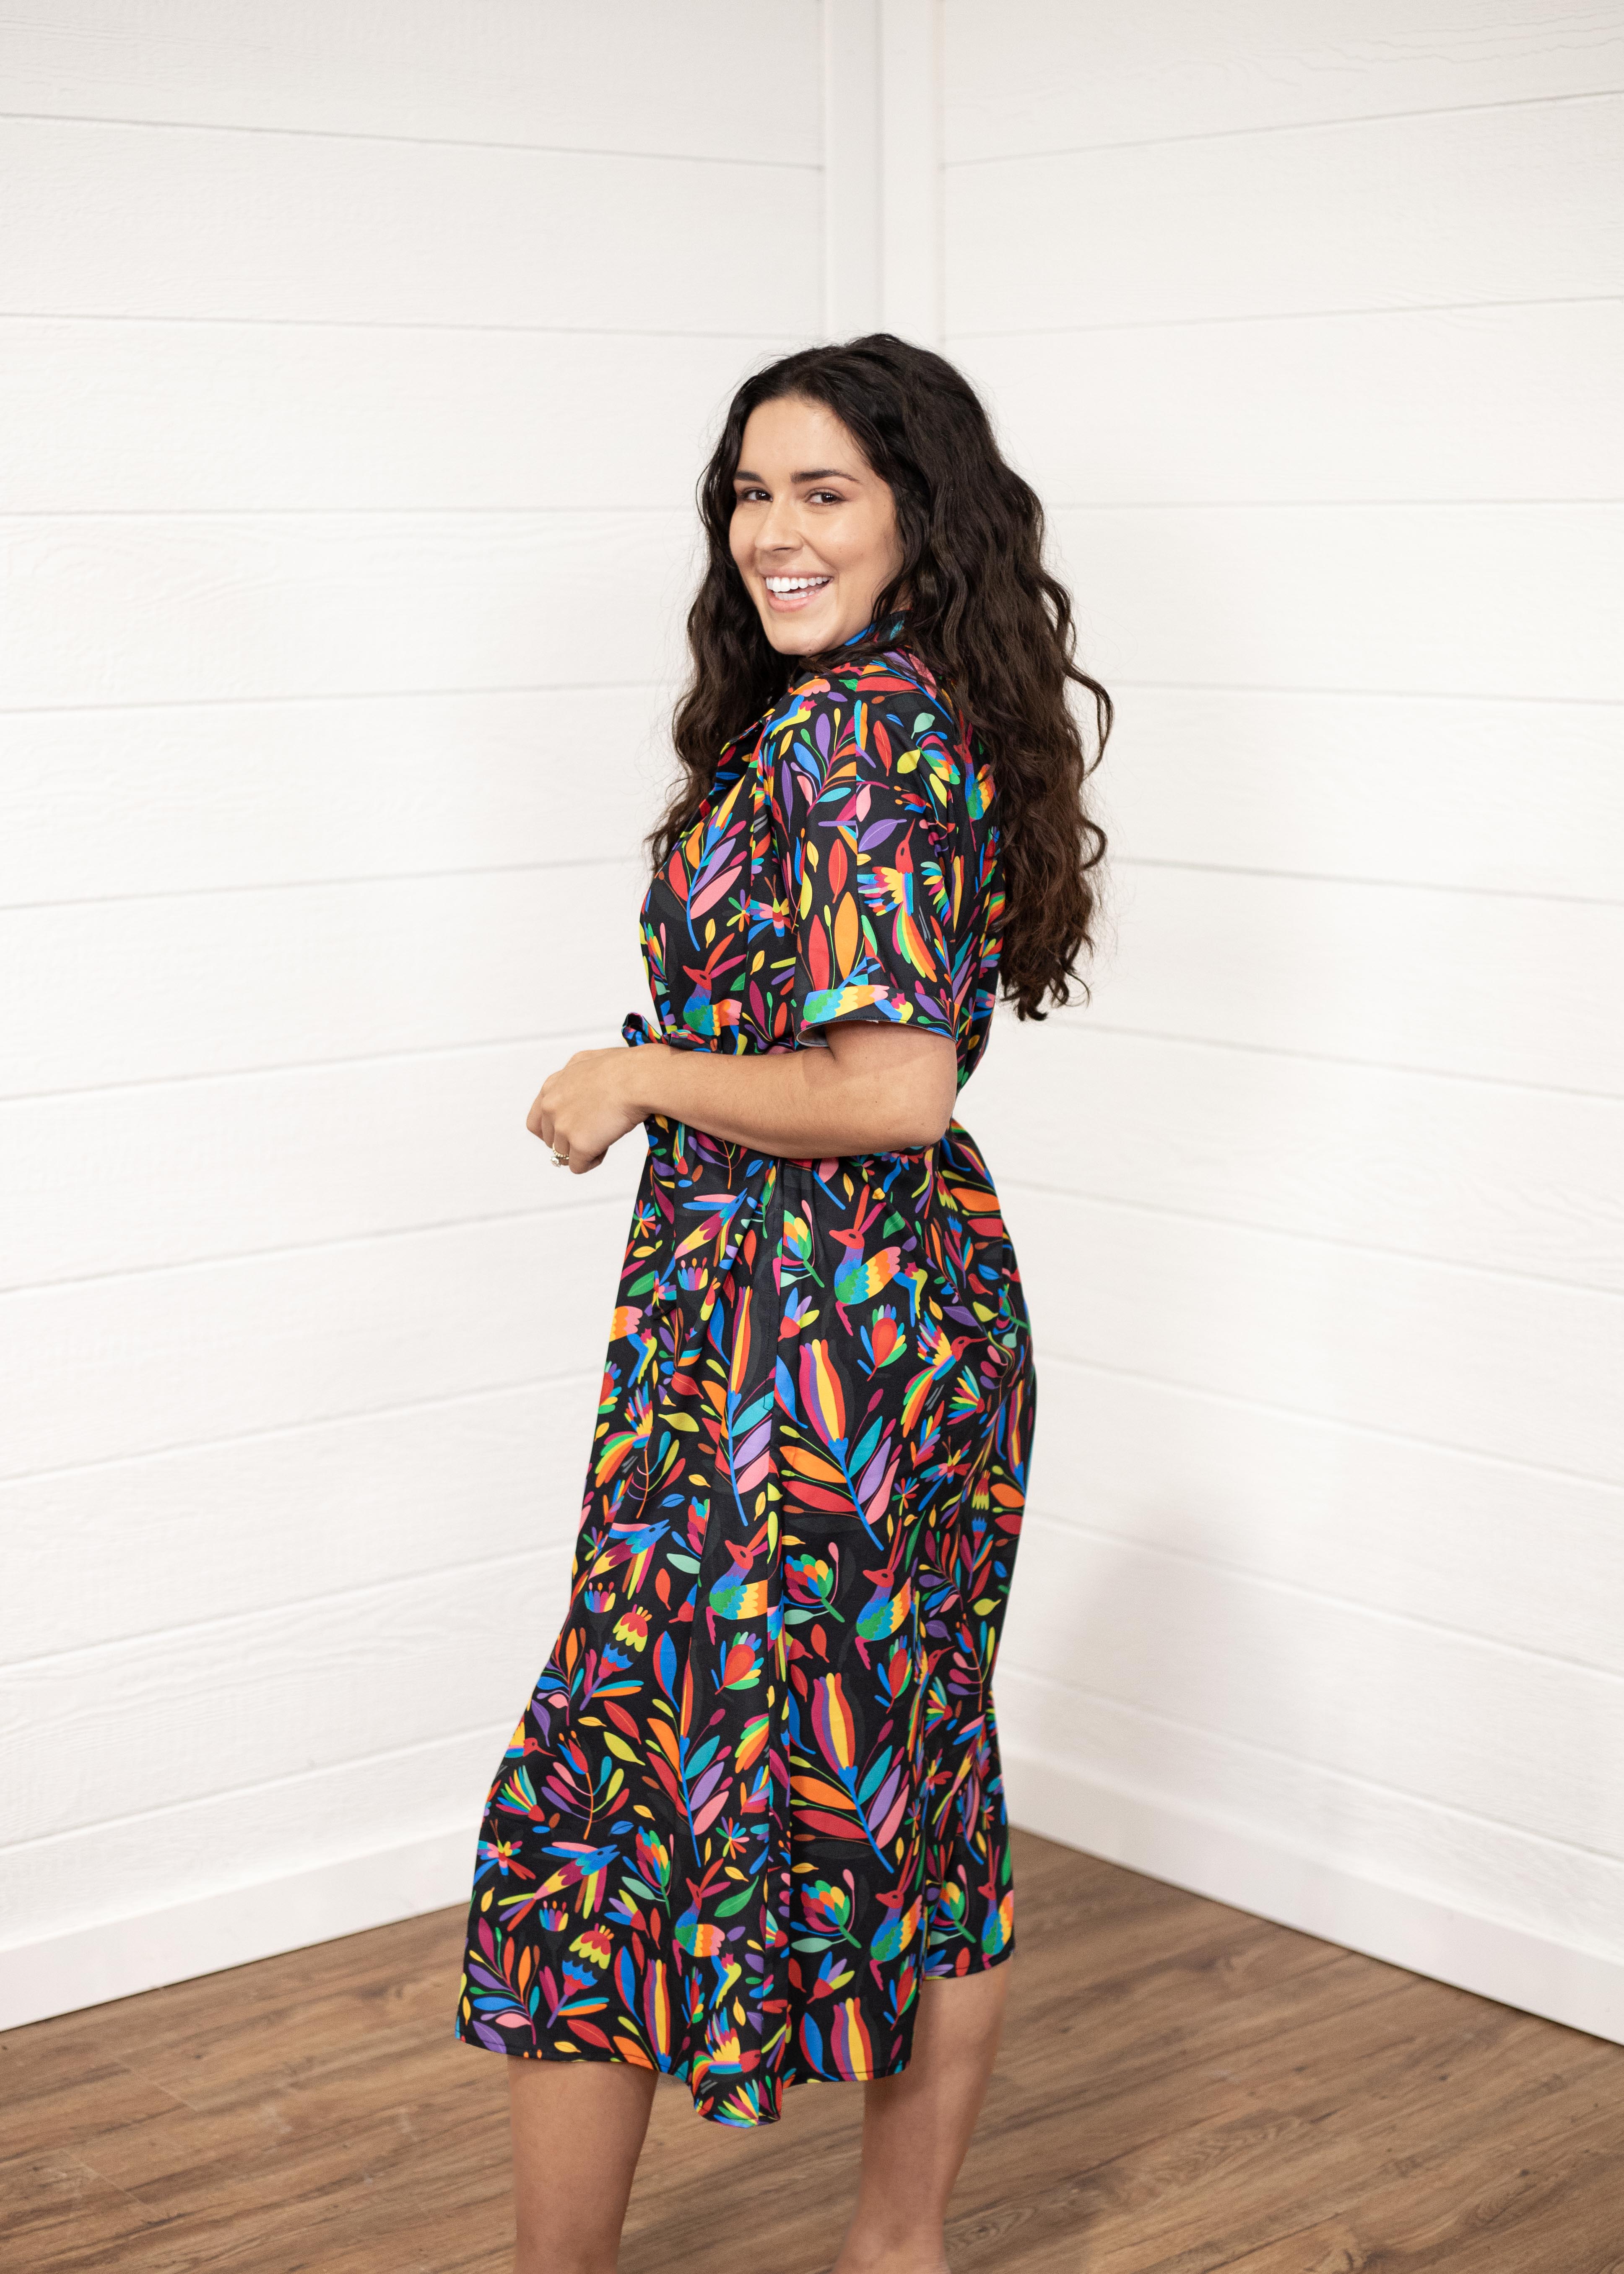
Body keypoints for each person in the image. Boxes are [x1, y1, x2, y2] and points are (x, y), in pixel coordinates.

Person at [454, 333, 1110, 2274]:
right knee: (911, 1766)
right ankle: (896, 2250)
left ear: (922, 516)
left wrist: (636, 1071)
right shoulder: (884, 715)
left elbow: (892, 1090)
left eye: (825, 492)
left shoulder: (864, 739)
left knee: (610, 1794)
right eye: (752, 492)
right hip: (844, 1320)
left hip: (812, 1342)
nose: (772, 532)